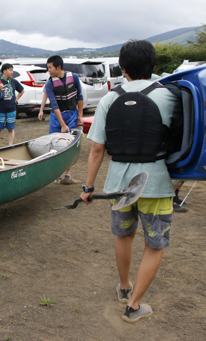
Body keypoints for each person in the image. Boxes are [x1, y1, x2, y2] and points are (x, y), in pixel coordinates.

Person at [80, 40, 178, 323]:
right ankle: (134, 306)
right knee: (154, 244)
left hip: (119, 185)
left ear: (123, 68)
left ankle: (125, 288)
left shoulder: (110, 98)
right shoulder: (169, 96)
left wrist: (88, 188)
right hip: (156, 182)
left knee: (123, 234)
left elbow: (97, 148)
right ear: (154, 65)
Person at [38, 55, 84, 184]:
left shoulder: (73, 77)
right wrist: (63, 125)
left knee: (69, 143)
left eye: (50, 67)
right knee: (55, 143)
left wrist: (80, 116)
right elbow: (54, 105)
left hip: (72, 114)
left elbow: (79, 97)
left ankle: (67, 172)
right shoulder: (49, 84)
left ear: (58, 67)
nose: (49, 70)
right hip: (56, 117)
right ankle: (56, 172)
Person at [0, 63, 25, 148]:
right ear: (4, 71)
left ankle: (10, 145)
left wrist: (16, 99)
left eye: (12, 70)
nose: (12, 72)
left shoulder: (14, 81)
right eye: (10, 70)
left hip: (11, 109)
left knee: (11, 128)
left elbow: (22, 90)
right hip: (0, 109)